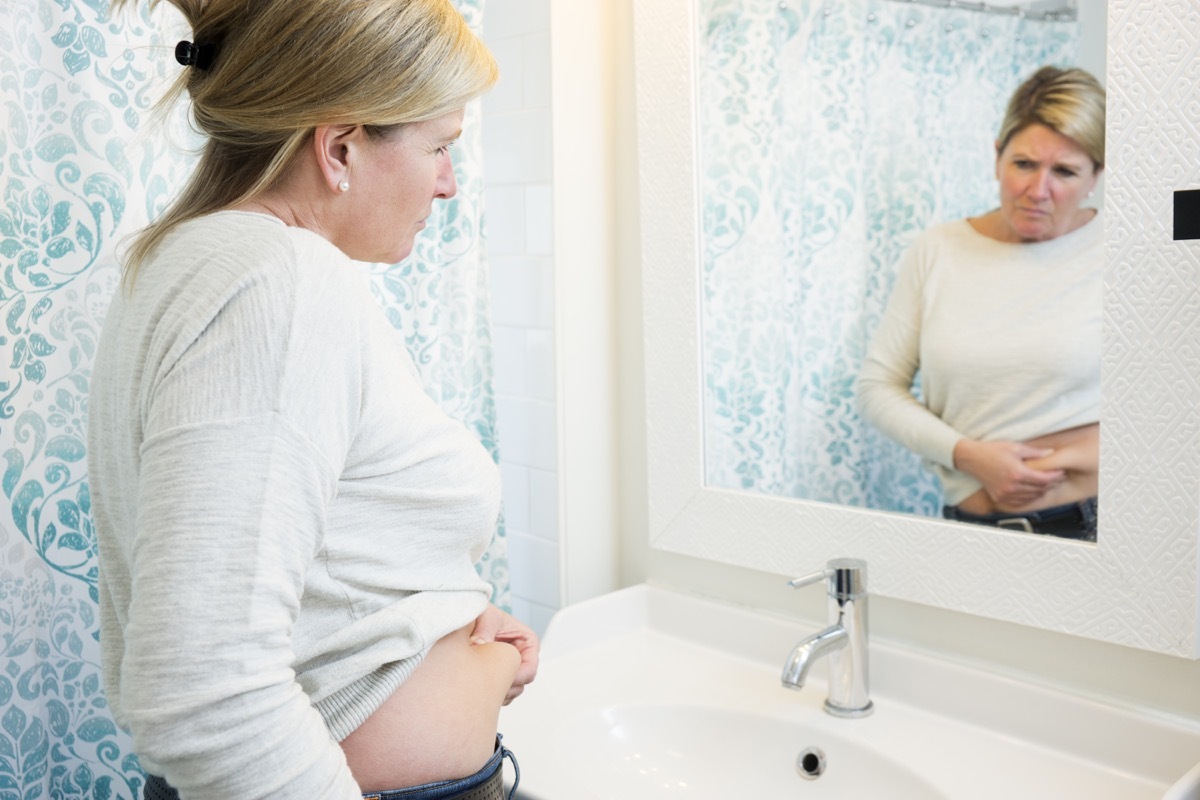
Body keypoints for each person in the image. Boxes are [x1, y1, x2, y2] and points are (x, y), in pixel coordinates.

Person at [86, 1, 538, 798]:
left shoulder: (184, 262)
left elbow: (291, 561)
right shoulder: (281, 281)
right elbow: (202, 696)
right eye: (439, 146)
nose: (448, 185)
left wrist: (436, 618)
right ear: (339, 148)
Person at [857, 66, 1106, 542]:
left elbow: (1175, 408)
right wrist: (968, 455)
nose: (1038, 191)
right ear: (997, 157)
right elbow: (876, 388)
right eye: (1024, 164)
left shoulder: (1125, 254)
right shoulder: (939, 250)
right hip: (968, 532)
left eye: (1066, 172)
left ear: (1096, 174)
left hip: (1094, 530)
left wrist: (1074, 456)